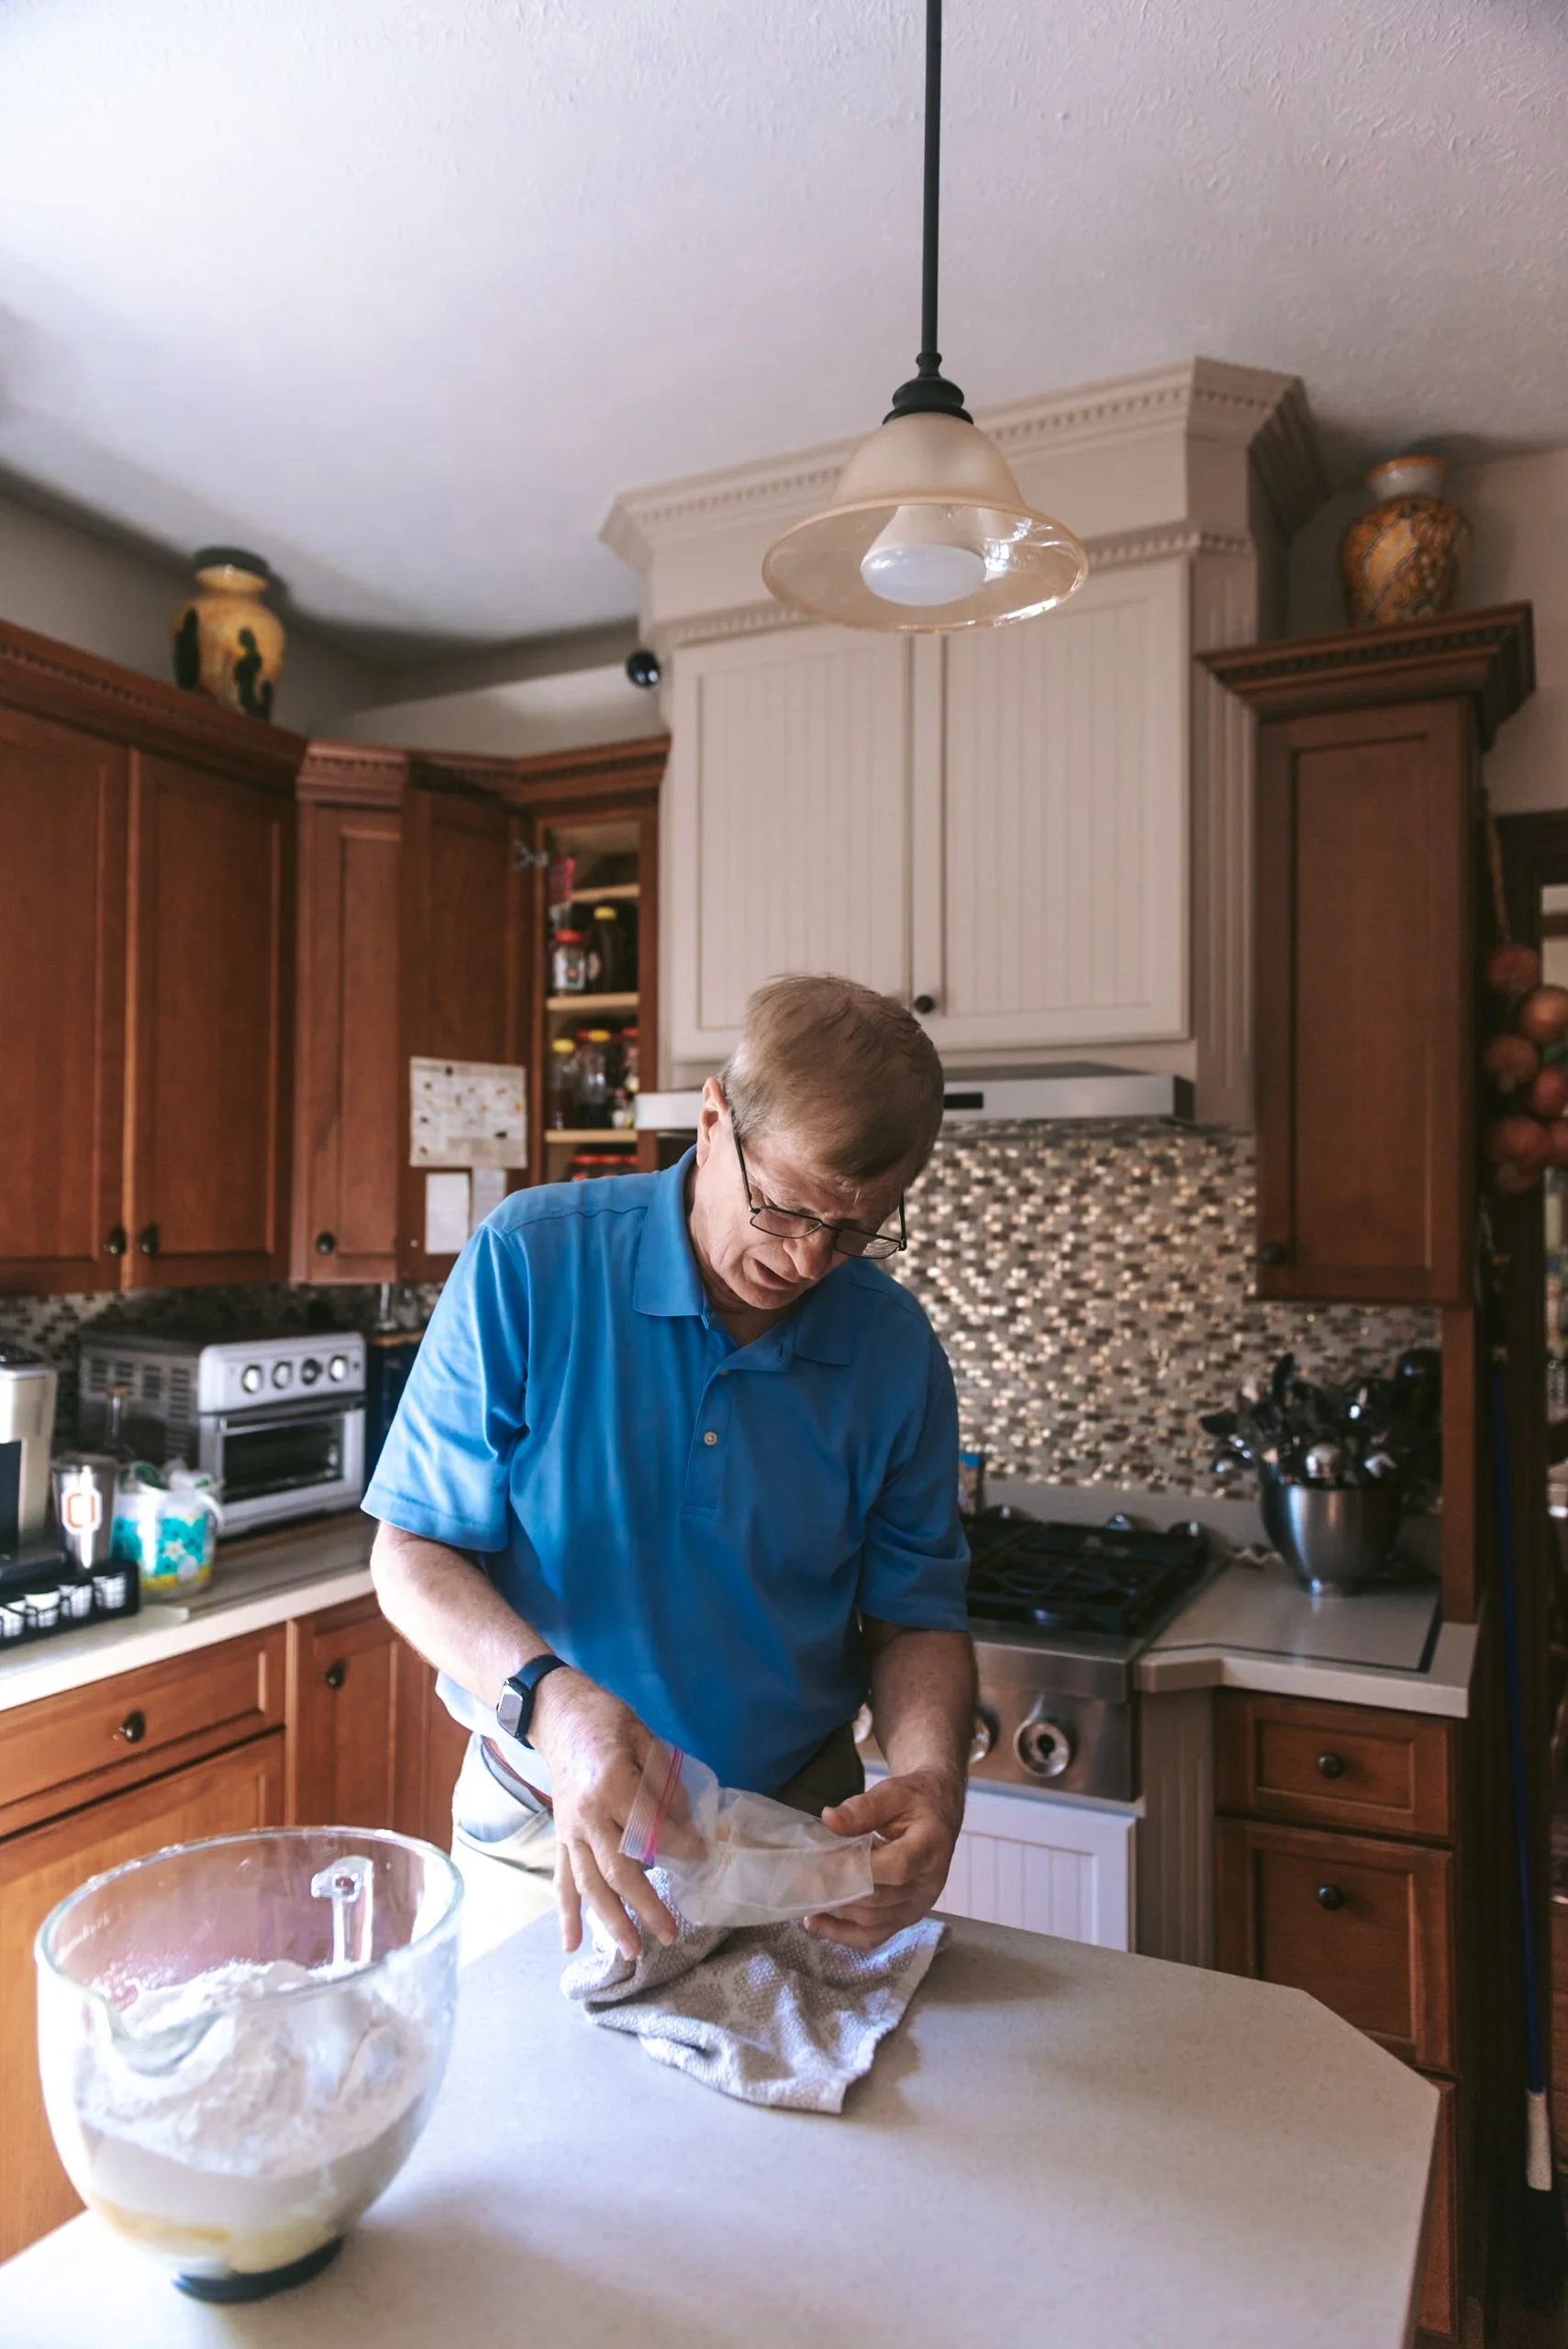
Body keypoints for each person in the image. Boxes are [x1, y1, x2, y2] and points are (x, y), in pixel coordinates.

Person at [366, 974, 974, 1960]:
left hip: (792, 1839)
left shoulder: (893, 1350)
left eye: (857, 1227)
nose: (813, 1260)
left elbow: (915, 1614)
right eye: (786, 1208)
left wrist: (932, 1779)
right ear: (711, 1120)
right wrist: (554, 1705)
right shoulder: (530, 1264)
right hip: (542, 1824)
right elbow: (409, 1552)